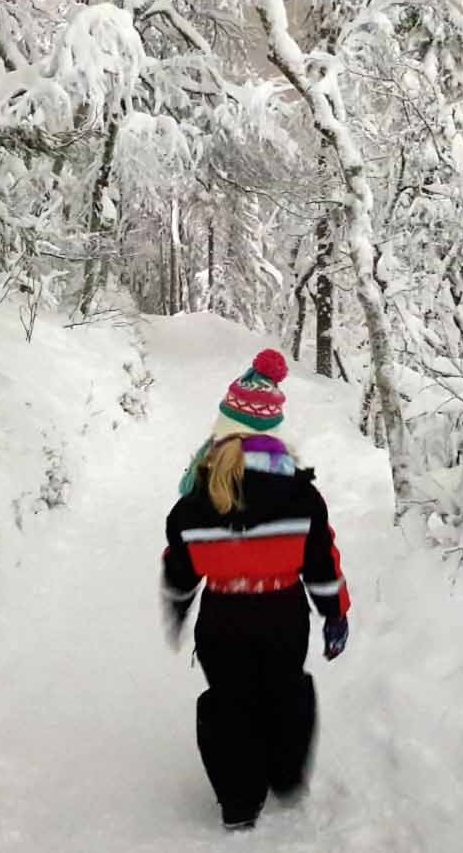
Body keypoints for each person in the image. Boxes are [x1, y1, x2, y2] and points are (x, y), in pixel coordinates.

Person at [159, 348, 351, 832]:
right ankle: (285, 776)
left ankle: (240, 802)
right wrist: (335, 614)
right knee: (286, 693)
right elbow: (322, 560)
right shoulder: (301, 495)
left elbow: (179, 566)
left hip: (222, 618)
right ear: (273, 437)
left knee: (229, 703)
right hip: (284, 615)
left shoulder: (194, 503)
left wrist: (178, 610)